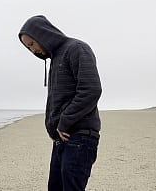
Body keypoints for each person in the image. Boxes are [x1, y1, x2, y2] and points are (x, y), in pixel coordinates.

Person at [18, 15, 102, 191]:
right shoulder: (55, 58)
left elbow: (91, 90)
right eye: (28, 48)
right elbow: (59, 100)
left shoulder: (77, 48)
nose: (32, 51)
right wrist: (52, 127)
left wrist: (64, 122)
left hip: (80, 137)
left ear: (42, 34)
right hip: (62, 138)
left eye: (32, 44)